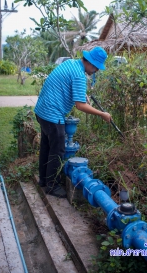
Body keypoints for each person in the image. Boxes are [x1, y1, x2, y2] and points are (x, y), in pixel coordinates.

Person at [34, 46, 112, 198]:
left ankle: (43, 180)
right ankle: (52, 186)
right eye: (96, 67)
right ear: (90, 63)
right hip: (52, 115)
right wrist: (102, 114)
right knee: (57, 151)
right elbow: (80, 105)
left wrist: (83, 94)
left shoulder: (70, 64)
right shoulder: (79, 75)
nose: (96, 71)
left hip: (42, 111)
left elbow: (68, 85)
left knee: (46, 147)